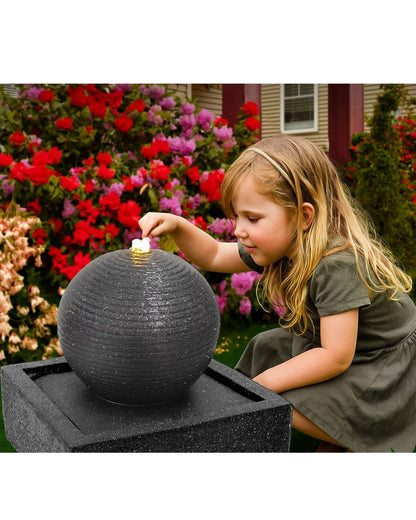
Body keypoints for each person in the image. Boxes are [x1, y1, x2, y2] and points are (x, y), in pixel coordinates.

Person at [139, 134, 416, 453]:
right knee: (265, 348)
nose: (239, 230)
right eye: (237, 217)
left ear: (303, 216)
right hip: (343, 347)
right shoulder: (280, 245)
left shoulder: (336, 264)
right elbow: (214, 254)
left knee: (282, 395)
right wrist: (177, 225)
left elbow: (336, 356)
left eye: (252, 218)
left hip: (379, 361)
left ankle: (348, 441)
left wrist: (267, 385)